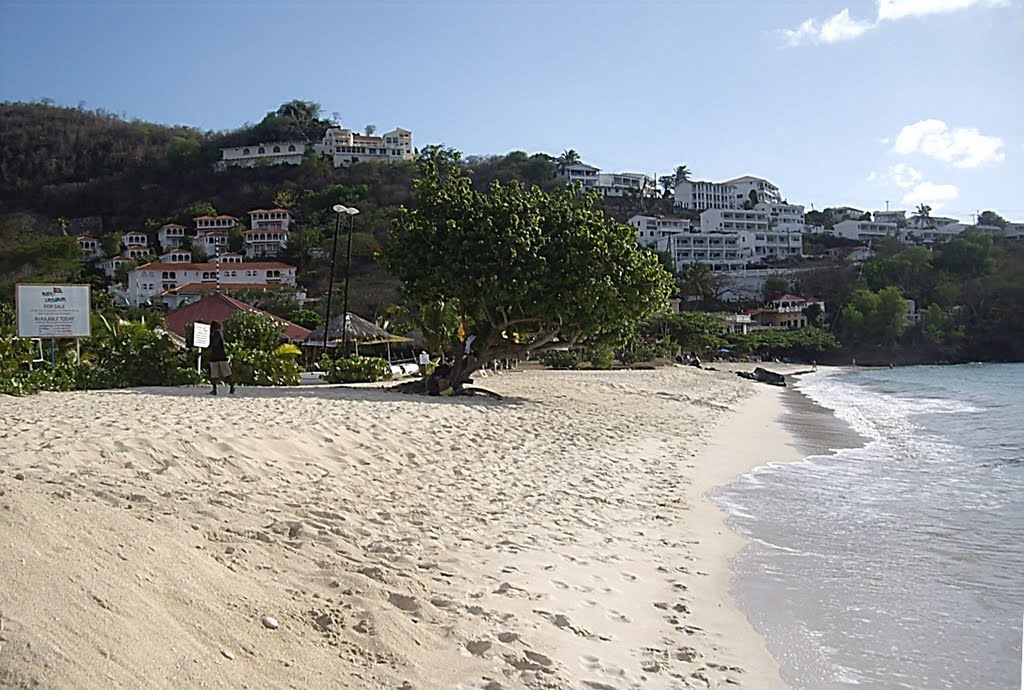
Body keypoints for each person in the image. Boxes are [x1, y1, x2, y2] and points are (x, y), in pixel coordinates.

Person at [207, 321, 235, 395]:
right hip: (219, 356)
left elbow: (213, 344)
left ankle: (217, 389)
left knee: (220, 375)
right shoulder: (217, 334)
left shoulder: (217, 334)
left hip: (219, 356)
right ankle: (228, 387)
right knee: (219, 375)